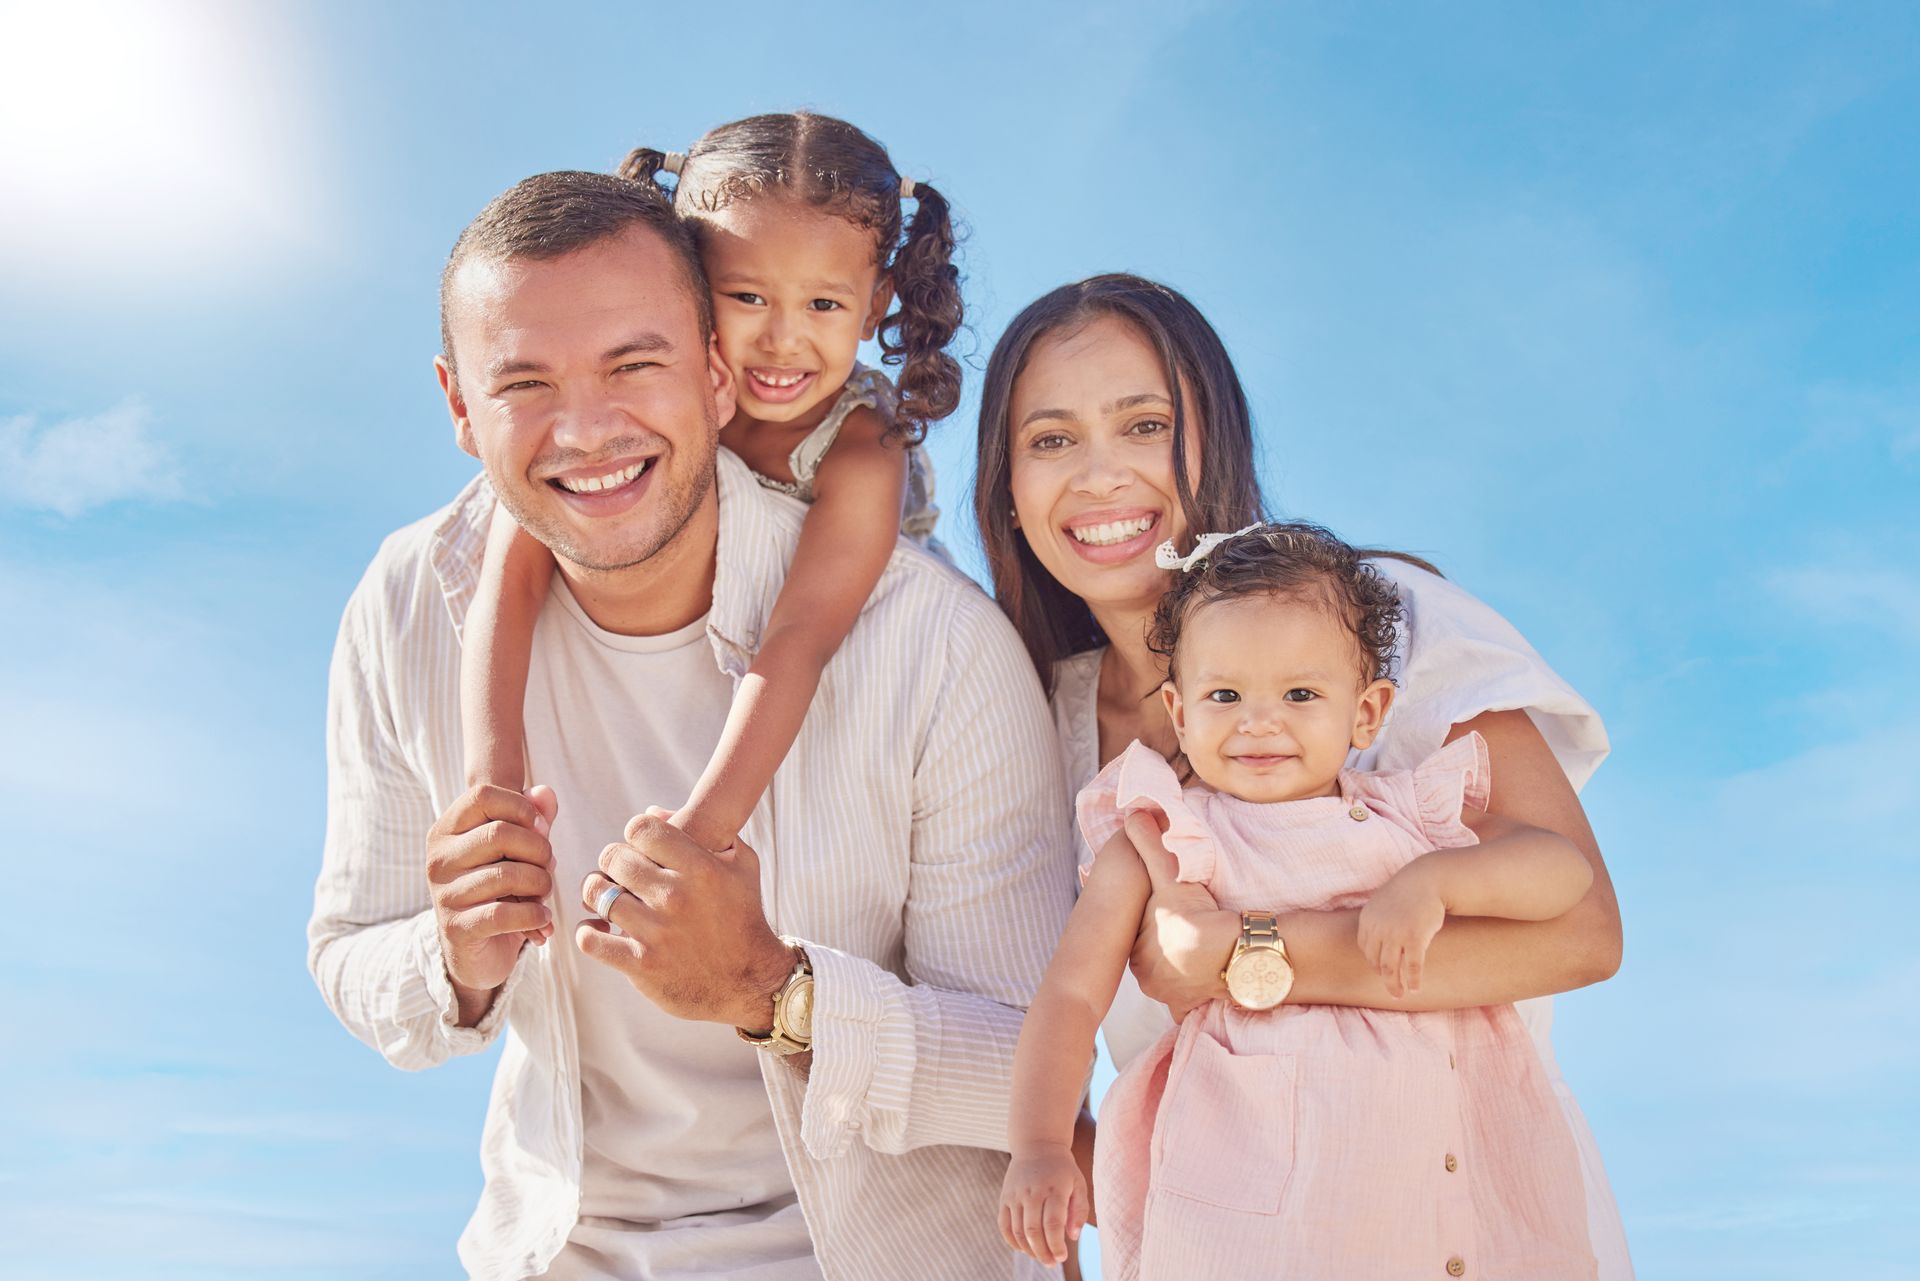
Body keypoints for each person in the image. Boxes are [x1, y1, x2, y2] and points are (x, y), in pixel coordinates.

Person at [307, 169, 1072, 1281]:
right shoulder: (411, 601)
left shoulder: (933, 644)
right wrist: (454, 959)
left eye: (635, 363)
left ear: (717, 373)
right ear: (460, 406)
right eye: (524, 381)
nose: (586, 429)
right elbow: (348, 951)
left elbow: (1030, 1070)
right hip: (563, 1253)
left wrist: (775, 989)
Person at [974, 274, 1635, 1277]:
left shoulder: (1384, 623)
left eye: (1145, 424)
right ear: (1008, 493)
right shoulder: (1042, 725)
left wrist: (1245, 958)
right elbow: (1062, 1013)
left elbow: (1584, 936)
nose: (1101, 475)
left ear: (1217, 441)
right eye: (1052, 439)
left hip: (1458, 1220)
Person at [1000, 523, 1597, 1279]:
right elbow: (1070, 995)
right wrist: (1042, 1145)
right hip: (1253, 1214)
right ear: (1180, 712)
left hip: (1439, 1194)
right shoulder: (1166, 835)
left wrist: (1436, 881)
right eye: (1225, 693)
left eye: (1301, 693)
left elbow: (1563, 871)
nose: (1259, 720)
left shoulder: (1416, 818)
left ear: (1368, 712)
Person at [461, 111, 962, 862]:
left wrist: (702, 829)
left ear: (876, 302)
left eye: (823, 304)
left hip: (854, 658)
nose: (781, 339)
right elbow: (512, 570)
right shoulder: (657, 410)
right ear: (688, 287)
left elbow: (800, 638)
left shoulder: (863, 449)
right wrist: (491, 793)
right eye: (746, 297)